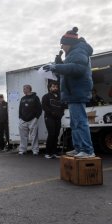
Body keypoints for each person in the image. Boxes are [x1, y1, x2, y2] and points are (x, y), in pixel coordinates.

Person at [43, 27, 95, 158]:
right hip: (73, 93)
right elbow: (69, 71)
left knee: (80, 122)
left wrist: (57, 67)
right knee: (75, 122)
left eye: (63, 44)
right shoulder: (74, 53)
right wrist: (59, 64)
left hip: (77, 92)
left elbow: (77, 69)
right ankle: (79, 148)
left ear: (69, 43)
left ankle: (87, 150)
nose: (62, 46)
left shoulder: (79, 51)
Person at [42, 81, 64, 159]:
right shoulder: (46, 96)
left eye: (56, 87)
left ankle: (54, 152)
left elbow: (62, 107)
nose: (55, 88)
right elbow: (44, 107)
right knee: (51, 134)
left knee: (56, 135)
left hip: (58, 118)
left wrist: (61, 114)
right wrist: (52, 113)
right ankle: (48, 153)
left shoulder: (59, 97)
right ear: (50, 88)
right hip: (49, 118)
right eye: (53, 86)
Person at [18, 85, 42, 155]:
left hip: (32, 120)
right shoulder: (22, 98)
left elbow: (39, 109)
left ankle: (35, 150)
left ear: (29, 89)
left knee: (34, 136)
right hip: (23, 120)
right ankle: (22, 150)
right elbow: (20, 109)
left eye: (24, 89)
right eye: (23, 89)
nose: (23, 90)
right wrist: (20, 117)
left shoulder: (35, 97)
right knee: (23, 136)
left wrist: (36, 118)